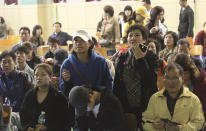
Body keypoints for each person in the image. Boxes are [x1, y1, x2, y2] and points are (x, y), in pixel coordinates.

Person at [59, 29, 113, 129]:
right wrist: (66, 82)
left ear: (90, 43)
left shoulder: (100, 62)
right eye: (76, 41)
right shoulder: (67, 63)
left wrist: (99, 95)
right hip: (78, 108)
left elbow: (109, 84)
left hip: (98, 105)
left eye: (82, 40)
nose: (78, 43)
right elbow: (64, 91)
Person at [113, 24, 158, 131]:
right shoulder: (122, 57)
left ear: (144, 39)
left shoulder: (151, 57)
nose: (132, 38)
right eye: (130, 35)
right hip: (127, 106)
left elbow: (150, 81)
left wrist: (140, 59)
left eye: (137, 35)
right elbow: (117, 84)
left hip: (146, 105)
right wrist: (119, 107)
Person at [142, 63, 205, 131]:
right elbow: (145, 122)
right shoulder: (154, 98)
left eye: (175, 78)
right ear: (163, 78)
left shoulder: (193, 99)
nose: (171, 82)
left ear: (182, 78)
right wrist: (153, 125)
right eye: (167, 78)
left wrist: (179, 128)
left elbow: (199, 124)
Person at [20, 63, 70, 131]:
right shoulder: (30, 95)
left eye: (43, 75)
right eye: (36, 75)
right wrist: (28, 127)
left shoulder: (59, 97)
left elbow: (64, 120)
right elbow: (23, 115)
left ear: (50, 76)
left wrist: (47, 128)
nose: (38, 77)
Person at [174, 54, 206, 120]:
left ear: (191, 71)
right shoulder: (172, 83)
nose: (182, 77)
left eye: (185, 73)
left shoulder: (202, 85)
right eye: (179, 73)